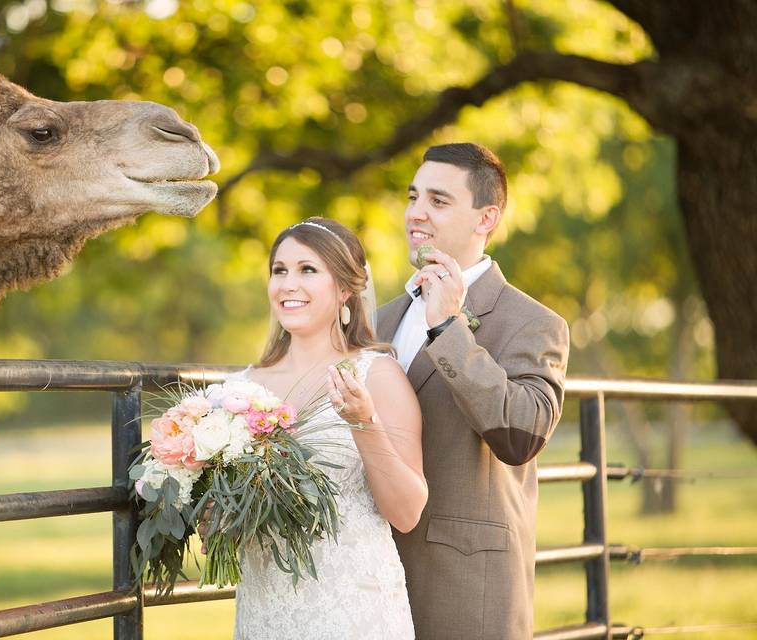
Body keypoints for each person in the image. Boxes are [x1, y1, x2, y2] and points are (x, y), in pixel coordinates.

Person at [377, 143, 570, 639]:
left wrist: (448, 330)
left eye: (438, 201)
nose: (416, 213)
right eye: (413, 196)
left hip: (467, 592)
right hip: (371, 583)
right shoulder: (381, 319)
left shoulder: (532, 322)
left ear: (486, 218)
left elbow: (521, 434)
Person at [230, 217, 427, 640]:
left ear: (344, 290)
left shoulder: (377, 375)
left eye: (307, 269)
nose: (287, 283)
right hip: (265, 612)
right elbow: (222, 532)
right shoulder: (240, 389)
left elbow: (408, 512)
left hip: (354, 610)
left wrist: (364, 423)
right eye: (279, 270)